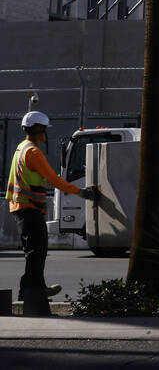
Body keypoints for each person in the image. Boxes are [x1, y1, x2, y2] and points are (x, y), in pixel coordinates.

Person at [6, 110, 98, 313]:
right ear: (39, 129)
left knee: (33, 252)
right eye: (45, 129)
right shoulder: (34, 152)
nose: (46, 133)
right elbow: (53, 179)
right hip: (29, 208)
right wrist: (80, 192)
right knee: (37, 252)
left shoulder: (21, 148)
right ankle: (32, 292)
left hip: (20, 208)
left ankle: (32, 289)